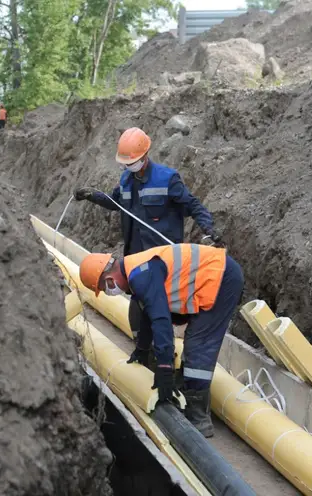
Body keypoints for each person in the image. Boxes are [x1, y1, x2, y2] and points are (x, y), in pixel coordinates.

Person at [78, 243, 244, 438]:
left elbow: (161, 319)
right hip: (212, 276)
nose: (109, 292)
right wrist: (141, 349)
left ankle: (199, 418)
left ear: (109, 279)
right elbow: (149, 311)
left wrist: (165, 368)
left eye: (104, 288)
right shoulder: (135, 271)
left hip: (221, 278)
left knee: (199, 344)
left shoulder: (141, 276)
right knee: (194, 341)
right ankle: (188, 387)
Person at [74, 127, 221, 342]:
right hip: (136, 261)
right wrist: (92, 195)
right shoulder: (125, 180)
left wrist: (210, 229)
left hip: (164, 263)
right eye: (125, 162)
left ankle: (173, 352)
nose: (127, 165)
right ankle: (144, 352)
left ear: (144, 155)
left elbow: (193, 205)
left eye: (130, 161)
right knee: (139, 312)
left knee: (168, 314)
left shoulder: (167, 179)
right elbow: (115, 204)